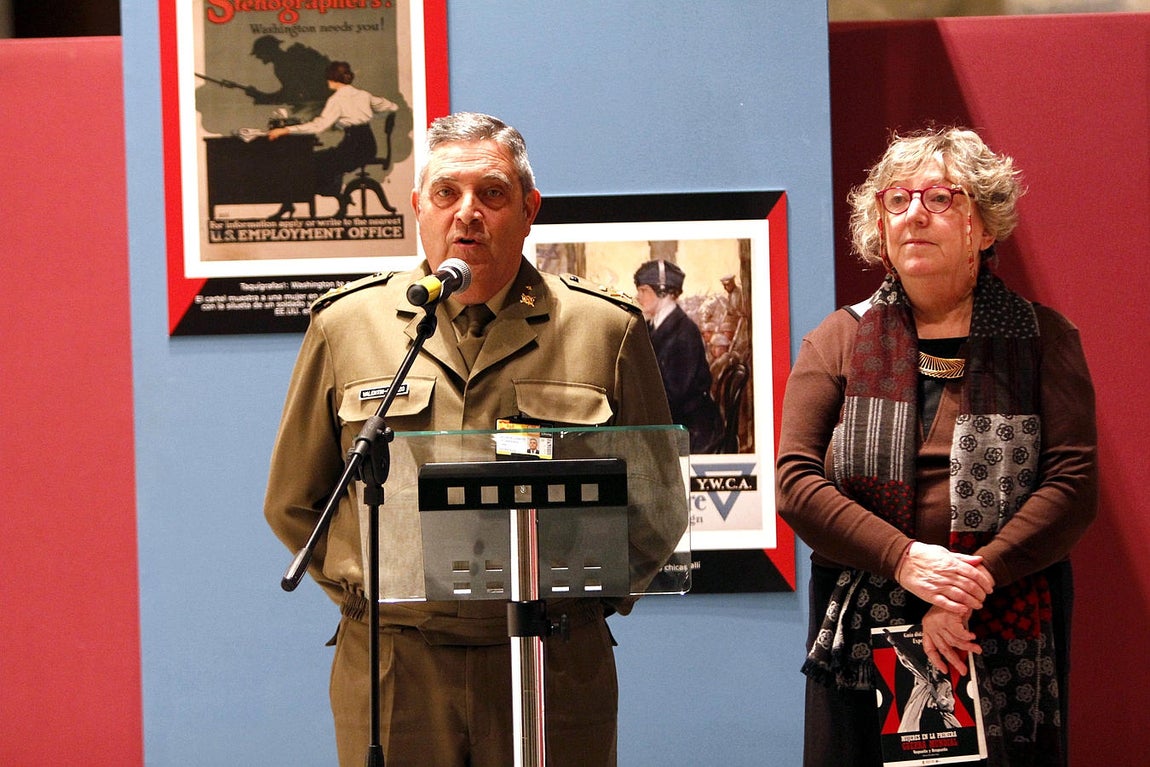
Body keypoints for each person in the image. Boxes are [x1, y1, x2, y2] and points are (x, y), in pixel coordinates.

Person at [264, 112, 676, 767]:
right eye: (447, 193)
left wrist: (585, 600)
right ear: (417, 207)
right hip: (396, 667)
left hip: (553, 658)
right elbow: (294, 499)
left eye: (492, 193)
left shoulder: (604, 330)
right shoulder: (346, 326)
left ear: (529, 208)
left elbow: (658, 507)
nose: (467, 213)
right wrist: (371, 597)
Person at [775, 127, 1097, 767]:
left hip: (1000, 623)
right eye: (898, 199)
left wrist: (969, 584)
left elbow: (1072, 485)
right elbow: (796, 482)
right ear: (880, 226)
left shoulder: (1043, 339)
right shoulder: (837, 340)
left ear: (984, 227)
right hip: (864, 638)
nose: (915, 213)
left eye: (941, 197)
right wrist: (903, 560)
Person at [266, 61, 398, 219]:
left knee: (311, 162)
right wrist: (366, 117)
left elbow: (319, 126)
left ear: (331, 79)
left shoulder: (337, 99)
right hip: (368, 146)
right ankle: (334, 200)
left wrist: (286, 130)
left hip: (353, 147)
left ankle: (338, 200)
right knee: (321, 160)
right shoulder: (364, 95)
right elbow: (392, 107)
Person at [633, 259, 723, 454]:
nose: (638, 297)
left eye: (643, 290)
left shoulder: (685, 333)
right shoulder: (652, 327)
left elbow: (674, 394)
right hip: (672, 422)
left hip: (691, 428)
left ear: (663, 291)